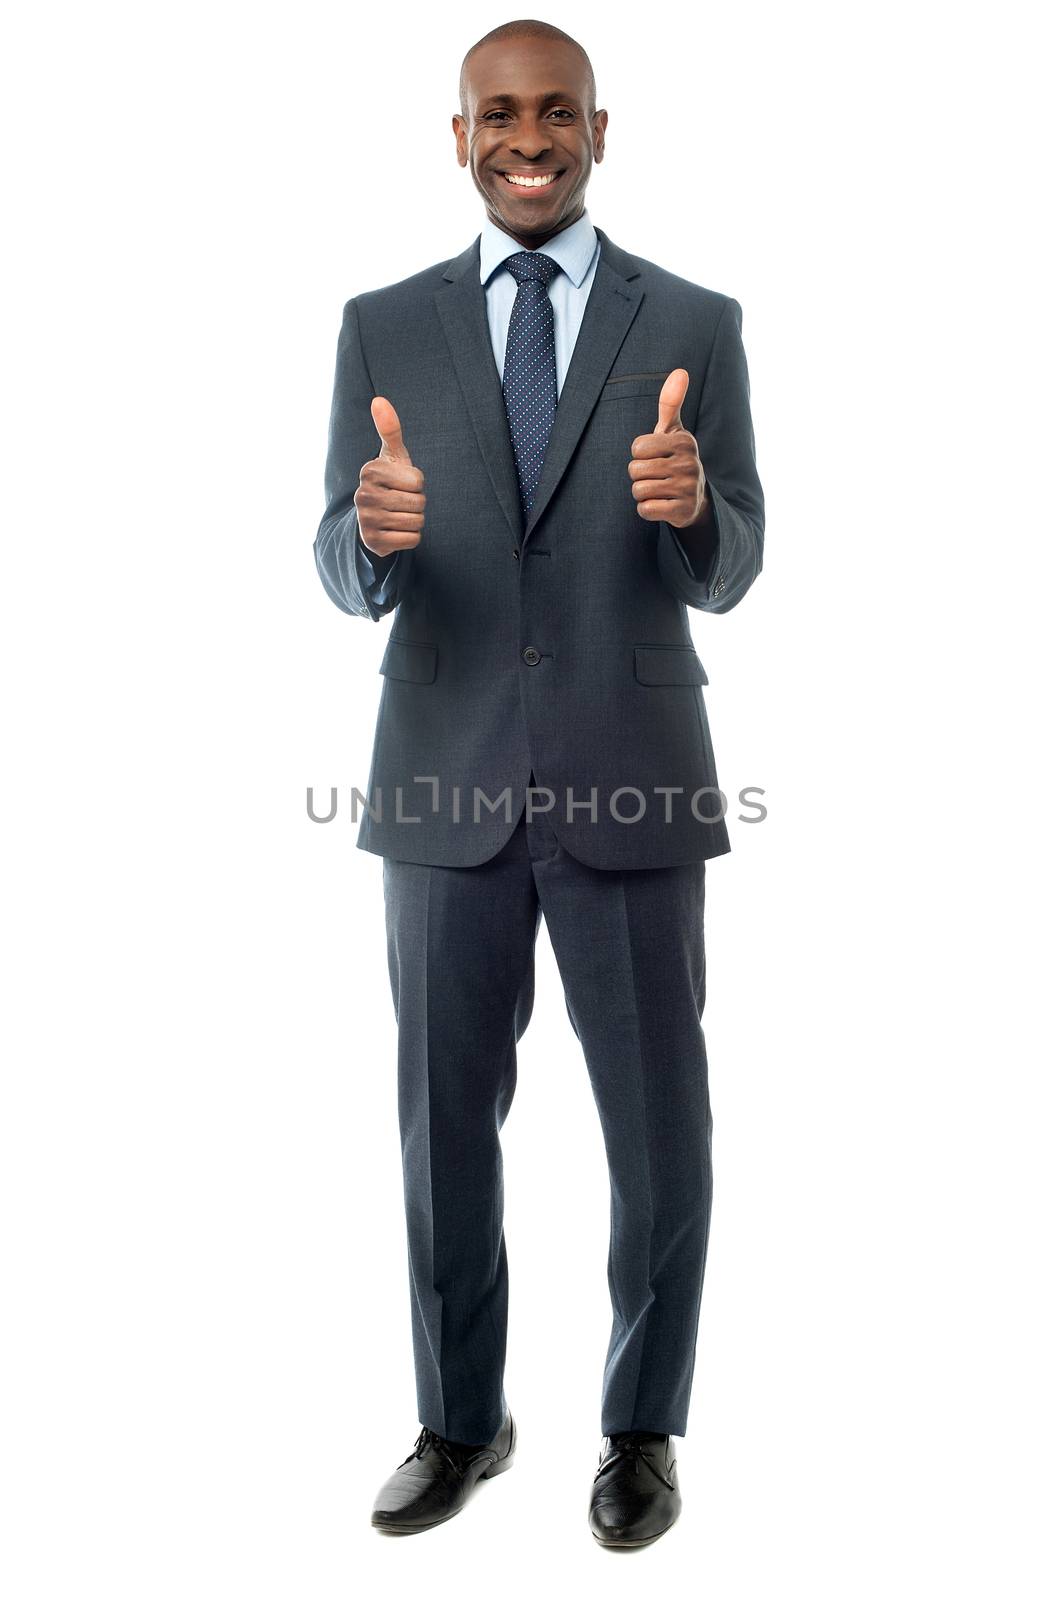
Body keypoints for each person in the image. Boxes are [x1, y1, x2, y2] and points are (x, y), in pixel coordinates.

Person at [313, 18, 765, 1548]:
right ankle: (461, 1418)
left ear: (597, 129)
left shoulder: (694, 315)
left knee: (659, 1131)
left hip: (633, 778)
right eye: (495, 114)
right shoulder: (381, 324)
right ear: (457, 137)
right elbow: (335, 557)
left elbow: (736, 560)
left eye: (553, 112)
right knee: (442, 1124)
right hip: (439, 787)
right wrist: (366, 536)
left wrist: (696, 506)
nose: (526, 137)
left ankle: (640, 1430)